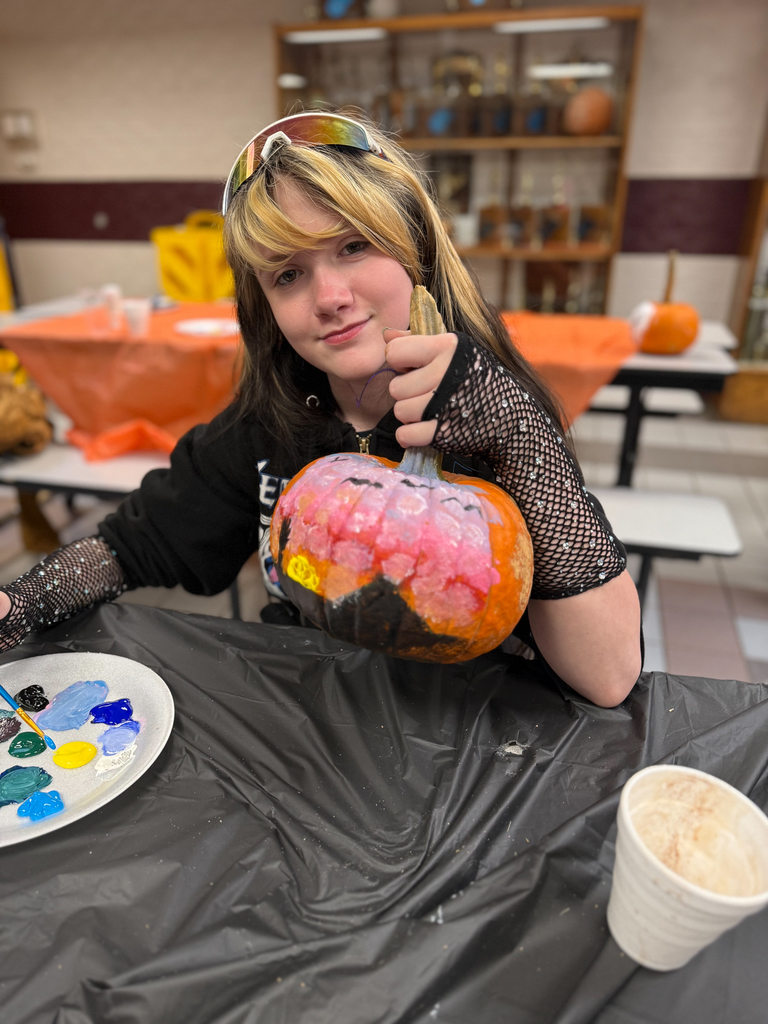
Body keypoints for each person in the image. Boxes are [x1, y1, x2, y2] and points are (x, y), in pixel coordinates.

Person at [0, 111, 641, 707]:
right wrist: (19, 602)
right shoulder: (267, 424)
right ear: (265, 308)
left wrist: (522, 438)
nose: (329, 296)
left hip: (467, 736)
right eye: (287, 274)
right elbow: (131, 547)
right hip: (304, 720)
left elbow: (609, 676)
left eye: (353, 246)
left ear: (413, 247)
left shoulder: (497, 415)